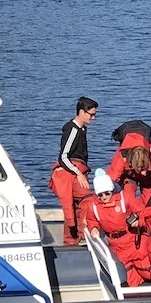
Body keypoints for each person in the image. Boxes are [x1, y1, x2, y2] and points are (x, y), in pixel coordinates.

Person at [80, 169, 151, 287]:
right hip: (116, 245)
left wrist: (139, 222)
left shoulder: (125, 198)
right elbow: (91, 220)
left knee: (148, 270)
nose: (104, 197)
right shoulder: (93, 206)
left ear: (112, 190)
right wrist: (93, 228)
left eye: (107, 193)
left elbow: (144, 213)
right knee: (129, 274)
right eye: (100, 195)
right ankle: (137, 295)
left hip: (133, 240)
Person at [49, 96, 98, 245]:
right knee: (88, 199)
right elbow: (63, 157)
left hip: (78, 171)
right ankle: (85, 234)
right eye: (91, 114)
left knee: (73, 208)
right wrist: (78, 174)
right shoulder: (73, 130)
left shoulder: (82, 129)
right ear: (82, 112)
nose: (93, 118)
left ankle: (70, 242)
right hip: (71, 174)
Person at [107, 120, 151, 204]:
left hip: (148, 177)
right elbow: (113, 177)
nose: (142, 172)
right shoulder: (122, 155)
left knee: (150, 200)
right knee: (127, 199)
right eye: (140, 168)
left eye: (144, 167)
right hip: (129, 176)